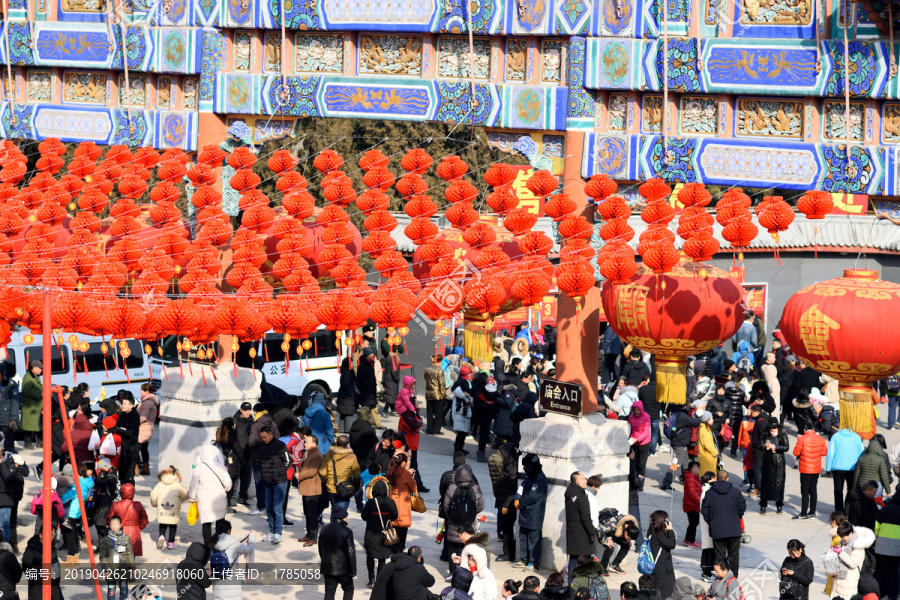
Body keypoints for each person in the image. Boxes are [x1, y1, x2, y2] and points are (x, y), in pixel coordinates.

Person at [701, 470, 746, 578]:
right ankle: (733, 577)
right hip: (734, 529)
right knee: (733, 556)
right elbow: (742, 507)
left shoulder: (710, 493)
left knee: (719, 556)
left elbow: (704, 510)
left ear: (716, 478)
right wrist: (736, 517)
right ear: (727, 479)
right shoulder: (736, 492)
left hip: (718, 530)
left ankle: (721, 576)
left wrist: (711, 522)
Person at [188, 443, 232, 543]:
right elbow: (228, 485)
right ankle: (220, 543)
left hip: (205, 501)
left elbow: (193, 486)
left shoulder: (198, 469)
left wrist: (192, 498)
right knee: (220, 522)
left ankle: (208, 546)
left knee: (206, 524)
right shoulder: (221, 467)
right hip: (219, 499)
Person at [443, 464, 485, 566]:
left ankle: (452, 570)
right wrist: (472, 514)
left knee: (452, 545)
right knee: (468, 546)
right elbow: (480, 506)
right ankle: (464, 567)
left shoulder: (452, 487)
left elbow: (446, 506)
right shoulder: (475, 488)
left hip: (453, 522)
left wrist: (451, 516)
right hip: (469, 523)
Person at [360, 475, 396, 587]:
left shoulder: (370, 503)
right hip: (385, 535)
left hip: (371, 534)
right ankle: (379, 580)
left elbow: (364, 516)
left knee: (370, 556)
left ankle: (371, 579)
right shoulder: (391, 502)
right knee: (382, 559)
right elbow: (395, 516)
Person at [514, 453, 547, 571]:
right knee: (523, 537)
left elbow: (533, 496)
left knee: (534, 539)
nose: (525, 470)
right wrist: (516, 499)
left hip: (534, 515)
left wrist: (520, 503)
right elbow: (521, 488)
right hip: (524, 514)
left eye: (526, 467)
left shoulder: (540, 479)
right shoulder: (529, 478)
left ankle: (533, 562)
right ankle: (523, 560)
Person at [257, 425, 290, 543]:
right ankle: (271, 531)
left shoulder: (280, 445)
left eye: (265, 437)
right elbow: (261, 461)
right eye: (262, 437)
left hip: (279, 482)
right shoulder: (261, 446)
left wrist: (279, 472)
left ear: (271, 435)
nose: (263, 439)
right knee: (269, 508)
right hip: (267, 481)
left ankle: (278, 532)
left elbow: (288, 461)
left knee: (277, 508)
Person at [247, 403, 279, 516]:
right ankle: (270, 506)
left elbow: (251, 442)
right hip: (271, 458)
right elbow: (278, 439)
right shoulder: (273, 423)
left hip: (258, 458)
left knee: (259, 483)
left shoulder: (255, 426)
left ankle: (261, 507)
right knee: (270, 482)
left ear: (255, 412)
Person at [565, 471, 597, 583]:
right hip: (582, 535)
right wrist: (592, 533)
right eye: (584, 478)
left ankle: (571, 584)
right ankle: (584, 584)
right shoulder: (582, 496)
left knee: (573, 559)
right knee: (586, 560)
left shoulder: (570, 493)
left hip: (572, 533)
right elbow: (586, 517)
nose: (587, 480)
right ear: (578, 481)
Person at [319, 434, 361, 519]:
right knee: (341, 512)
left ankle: (332, 530)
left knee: (333, 510)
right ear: (347, 445)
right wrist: (356, 488)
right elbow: (356, 475)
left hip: (330, 488)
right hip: (345, 488)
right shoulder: (352, 457)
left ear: (336, 443)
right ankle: (338, 530)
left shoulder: (328, 455)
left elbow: (322, 472)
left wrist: (328, 481)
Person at [319, 504, 356, 600]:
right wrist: (353, 571)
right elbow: (350, 553)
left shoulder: (324, 529)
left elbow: (321, 549)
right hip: (343, 569)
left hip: (328, 567)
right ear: (343, 517)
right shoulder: (347, 531)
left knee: (329, 593)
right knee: (348, 589)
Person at [210, 521, 254, 600]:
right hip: (231, 582)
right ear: (228, 531)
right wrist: (252, 536)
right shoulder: (234, 542)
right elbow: (250, 549)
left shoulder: (213, 542)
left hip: (217, 582)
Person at [59, 463, 94, 563]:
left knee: (70, 536)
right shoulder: (88, 481)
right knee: (74, 534)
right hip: (79, 511)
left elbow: (68, 496)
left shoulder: (78, 484)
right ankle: (75, 558)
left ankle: (71, 558)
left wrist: (58, 500)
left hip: (72, 513)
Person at [832, 521, 876, 599]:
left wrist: (840, 552)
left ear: (850, 534)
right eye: (840, 537)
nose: (842, 539)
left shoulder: (858, 545)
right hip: (838, 580)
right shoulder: (843, 543)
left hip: (849, 582)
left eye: (843, 537)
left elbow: (853, 563)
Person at [490, 443, 518, 562]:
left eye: (502, 454)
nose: (500, 456)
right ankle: (508, 551)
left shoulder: (512, 469)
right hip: (503, 501)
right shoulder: (508, 465)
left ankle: (508, 553)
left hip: (507, 504)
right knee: (506, 528)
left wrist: (506, 506)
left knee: (507, 529)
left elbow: (511, 490)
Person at [793, 427, 828, 520]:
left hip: (805, 469)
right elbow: (824, 452)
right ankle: (812, 512)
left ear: (804, 430)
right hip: (816, 468)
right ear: (813, 429)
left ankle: (803, 513)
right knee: (813, 490)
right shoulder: (821, 439)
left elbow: (796, 452)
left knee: (805, 491)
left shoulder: (802, 439)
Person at [828, 427, 866, 513]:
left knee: (838, 490)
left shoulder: (836, 436)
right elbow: (862, 453)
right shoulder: (856, 437)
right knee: (851, 489)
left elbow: (830, 453)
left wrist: (828, 468)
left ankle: (839, 511)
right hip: (852, 468)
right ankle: (848, 510)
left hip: (838, 467)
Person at [150, 465, 188, 550]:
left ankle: (161, 537)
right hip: (173, 510)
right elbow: (184, 495)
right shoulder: (176, 484)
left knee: (163, 524)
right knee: (173, 525)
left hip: (162, 509)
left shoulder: (160, 484)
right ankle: (171, 542)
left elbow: (153, 495)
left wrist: (154, 503)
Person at [106, 482, 148, 558]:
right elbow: (144, 521)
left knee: (117, 554)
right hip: (134, 532)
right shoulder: (138, 505)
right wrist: (138, 528)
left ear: (121, 492)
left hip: (119, 532)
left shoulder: (116, 505)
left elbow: (109, 519)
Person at [97, 515, 134, 600]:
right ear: (109, 526)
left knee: (124, 589)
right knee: (111, 590)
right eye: (112, 524)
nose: (114, 526)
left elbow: (130, 553)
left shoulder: (126, 538)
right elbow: (103, 556)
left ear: (121, 525)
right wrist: (106, 570)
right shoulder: (106, 540)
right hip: (111, 569)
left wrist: (132, 567)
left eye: (116, 524)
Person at [296, 432, 323, 546]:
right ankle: (308, 534)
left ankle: (313, 537)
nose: (304, 444)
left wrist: (299, 475)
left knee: (312, 514)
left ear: (314, 444)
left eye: (307, 442)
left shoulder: (317, 455)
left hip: (312, 489)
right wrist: (298, 472)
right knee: (307, 513)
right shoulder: (308, 453)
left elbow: (312, 471)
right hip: (306, 488)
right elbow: (302, 467)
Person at [386, 452, 416, 553]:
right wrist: (412, 477)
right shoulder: (406, 474)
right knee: (402, 528)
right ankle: (398, 550)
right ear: (403, 463)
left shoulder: (389, 472)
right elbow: (413, 488)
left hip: (391, 502)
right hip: (403, 504)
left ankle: (390, 547)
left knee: (391, 525)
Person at [759, 421, 789, 515]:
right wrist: (764, 446)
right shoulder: (765, 435)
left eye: (774, 428)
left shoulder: (782, 435)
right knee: (765, 483)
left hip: (779, 461)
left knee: (779, 483)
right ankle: (763, 505)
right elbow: (758, 445)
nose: (772, 430)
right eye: (771, 428)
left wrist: (775, 446)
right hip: (767, 461)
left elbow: (786, 447)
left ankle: (779, 505)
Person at [110, 396, 140, 485]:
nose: (123, 406)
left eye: (125, 404)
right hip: (120, 449)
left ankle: (129, 495)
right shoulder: (121, 415)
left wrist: (118, 428)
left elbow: (130, 431)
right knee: (122, 476)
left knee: (129, 476)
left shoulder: (135, 416)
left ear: (131, 406)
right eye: (122, 404)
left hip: (131, 449)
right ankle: (123, 494)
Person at [646, 510, 677, 600]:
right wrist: (670, 530)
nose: (667, 523)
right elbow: (672, 544)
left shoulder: (651, 531)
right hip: (662, 569)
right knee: (665, 592)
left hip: (657, 566)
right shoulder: (658, 535)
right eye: (666, 521)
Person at [875, 494, 900, 600]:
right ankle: (892, 594)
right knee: (895, 571)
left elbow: (877, 526)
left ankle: (879, 592)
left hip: (883, 546)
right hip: (897, 547)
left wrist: (878, 539)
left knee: (882, 569)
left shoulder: (885, 509)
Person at [599, 512, 639, 576]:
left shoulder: (631, 526)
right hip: (608, 532)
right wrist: (605, 541)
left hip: (618, 533)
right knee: (610, 547)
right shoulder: (613, 525)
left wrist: (627, 540)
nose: (629, 540)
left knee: (627, 545)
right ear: (626, 533)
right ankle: (602, 567)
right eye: (629, 538)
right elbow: (599, 530)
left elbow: (628, 535)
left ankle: (614, 565)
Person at [670, 404, 703, 475]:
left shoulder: (676, 414)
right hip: (679, 443)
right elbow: (695, 422)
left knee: (685, 463)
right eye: (685, 406)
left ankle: (687, 479)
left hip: (681, 442)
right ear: (682, 407)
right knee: (676, 464)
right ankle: (667, 482)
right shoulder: (682, 416)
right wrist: (701, 417)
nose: (686, 407)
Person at [137, 383, 158, 475]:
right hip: (147, 428)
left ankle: (136, 469)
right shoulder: (148, 401)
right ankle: (145, 468)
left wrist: (134, 423)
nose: (140, 392)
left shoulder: (147, 402)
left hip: (143, 429)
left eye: (141, 390)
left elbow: (143, 417)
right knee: (144, 449)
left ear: (146, 391)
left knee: (136, 449)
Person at [93, 460, 118, 540]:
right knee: (98, 524)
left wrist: (102, 473)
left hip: (105, 503)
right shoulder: (110, 475)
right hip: (101, 502)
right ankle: (102, 544)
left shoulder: (111, 477)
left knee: (102, 525)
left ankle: (105, 544)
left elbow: (98, 482)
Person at [452, 366, 474, 453]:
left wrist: (468, 397)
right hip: (460, 411)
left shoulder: (462, 383)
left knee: (464, 431)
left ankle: (460, 447)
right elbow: (457, 391)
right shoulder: (460, 384)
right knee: (461, 431)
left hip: (464, 411)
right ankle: (458, 448)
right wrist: (466, 397)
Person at [357, 347, 381, 428]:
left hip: (371, 390)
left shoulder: (371, 362)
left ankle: (377, 424)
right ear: (367, 354)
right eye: (371, 353)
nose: (373, 355)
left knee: (374, 408)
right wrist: (368, 384)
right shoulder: (362, 364)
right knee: (366, 410)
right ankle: (366, 425)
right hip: (366, 391)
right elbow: (361, 377)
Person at [20, 360, 42, 450]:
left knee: (39, 424)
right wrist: (40, 394)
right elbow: (28, 390)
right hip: (30, 407)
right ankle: (28, 443)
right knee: (29, 426)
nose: (41, 369)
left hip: (37, 406)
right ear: (34, 368)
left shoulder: (36, 377)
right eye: (40, 368)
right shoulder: (27, 378)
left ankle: (40, 443)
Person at [425, 354, 447, 434]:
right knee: (438, 413)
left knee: (429, 412)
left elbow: (425, 379)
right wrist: (443, 394)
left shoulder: (427, 369)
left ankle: (429, 429)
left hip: (428, 393)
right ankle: (436, 430)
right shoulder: (439, 370)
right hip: (438, 394)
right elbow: (441, 384)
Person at [336, 356, 359, 433]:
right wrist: (352, 395)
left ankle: (342, 430)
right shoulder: (347, 373)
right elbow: (347, 386)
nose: (353, 363)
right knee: (348, 414)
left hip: (343, 397)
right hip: (347, 398)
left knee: (343, 415)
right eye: (351, 362)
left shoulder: (346, 372)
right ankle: (348, 430)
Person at [629, 400, 651, 477]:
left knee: (641, 464)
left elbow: (646, 432)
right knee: (634, 462)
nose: (636, 412)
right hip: (634, 442)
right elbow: (629, 428)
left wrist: (637, 439)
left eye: (637, 410)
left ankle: (640, 483)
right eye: (634, 410)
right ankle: (634, 481)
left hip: (644, 443)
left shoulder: (646, 417)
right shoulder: (631, 417)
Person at [0, 364, 19, 454]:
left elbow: (14, 402)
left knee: (8, 445)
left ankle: (14, 463)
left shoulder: (11, 384)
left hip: (6, 420)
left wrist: (14, 418)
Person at [683, 460, 702, 548]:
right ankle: (691, 541)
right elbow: (692, 494)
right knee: (694, 522)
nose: (697, 469)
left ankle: (687, 539)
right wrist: (700, 501)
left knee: (692, 522)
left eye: (698, 468)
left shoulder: (694, 477)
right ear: (691, 468)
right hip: (691, 504)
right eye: (695, 468)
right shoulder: (690, 479)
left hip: (692, 504)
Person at [697, 413, 719, 477]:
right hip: (707, 458)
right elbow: (707, 444)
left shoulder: (706, 428)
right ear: (707, 420)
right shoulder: (704, 429)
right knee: (708, 478)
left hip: (708, 457)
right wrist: (715, 453)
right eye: (711, 418)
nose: (713, 420)